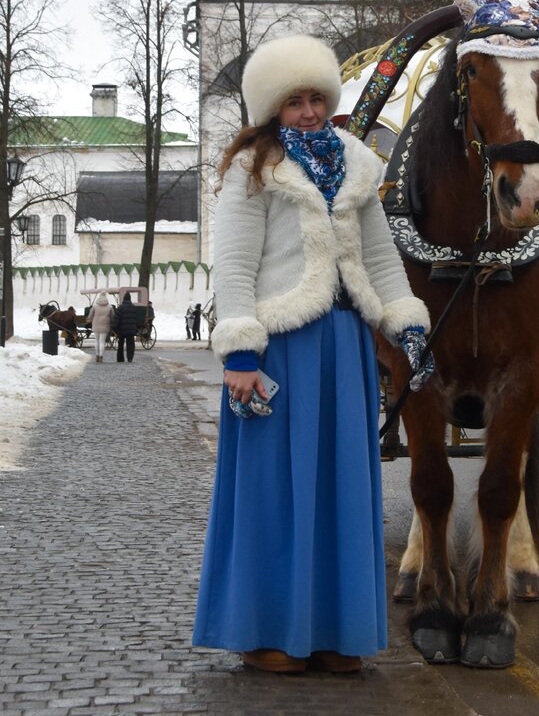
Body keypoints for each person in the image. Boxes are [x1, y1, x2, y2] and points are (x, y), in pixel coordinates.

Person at [193, 34, 434, 676]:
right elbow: (235, 266)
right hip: (278, 351)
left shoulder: (357, 165)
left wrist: (407, 323)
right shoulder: (254, 170)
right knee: (273, 493)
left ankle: (335, 631)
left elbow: (379, 260)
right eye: (294, 100)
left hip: (346, 348)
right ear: (273, 107)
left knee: (342, 492)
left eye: (316, 99)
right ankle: (267, 630)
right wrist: (240, 352)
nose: (308, 111)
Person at [88, 290, 113, 363]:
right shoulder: (110, 307)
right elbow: (112, 316)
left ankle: (97, 356)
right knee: (102, 341)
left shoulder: (95, 306)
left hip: (96, 325)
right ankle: (101, 356)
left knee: (97, 341)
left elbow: (90, 316)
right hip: (105, 325)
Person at [115, 291, 138, 363]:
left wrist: (115, 328)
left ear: (124, 299)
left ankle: (120, 358)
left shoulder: (120, 308)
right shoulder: (134, 308)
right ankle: (130, 357)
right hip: (131, 330)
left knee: (121, 344)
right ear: (130, 299)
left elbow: (116, 319)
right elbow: (136, 319)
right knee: (130, 344)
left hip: (122, 330)